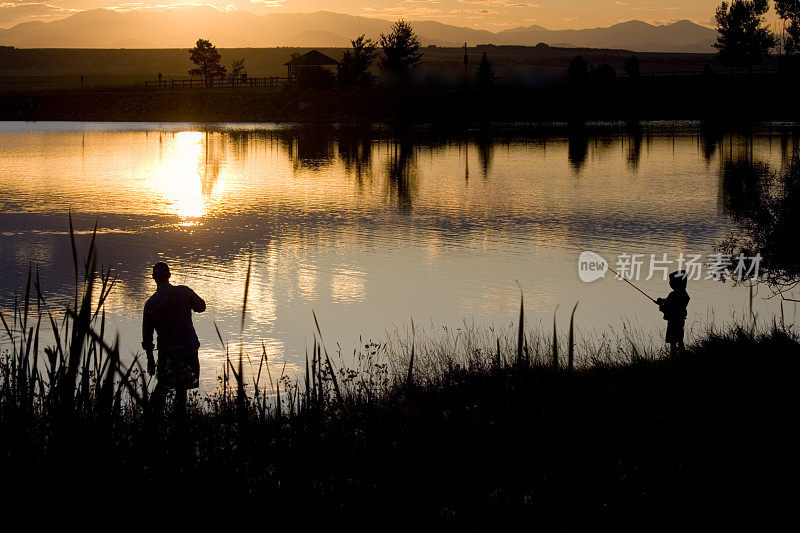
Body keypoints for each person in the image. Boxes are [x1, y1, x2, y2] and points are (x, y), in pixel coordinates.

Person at [142, 261, 206, 413]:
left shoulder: (150, 304)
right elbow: (201, 306)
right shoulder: (183, 291)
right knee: (182, 390)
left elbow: (147, 338)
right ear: (169, 275)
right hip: (188, 350)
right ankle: (178, 424)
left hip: (167, 353)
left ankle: (151, 421)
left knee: (162, 388)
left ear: (153, 278)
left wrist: (150, 360)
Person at [656, 270, 690, 356]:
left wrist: (662, 305)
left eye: (671, 281)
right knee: (680, 340)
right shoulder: (684, 294)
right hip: (680, 320)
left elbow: (668, 307)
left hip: (673, 321)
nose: (670, 283)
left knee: (673, 341)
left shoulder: (673, 294)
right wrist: (663, 301)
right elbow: (671, 303)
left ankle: (674, 357)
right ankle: (681, 355)